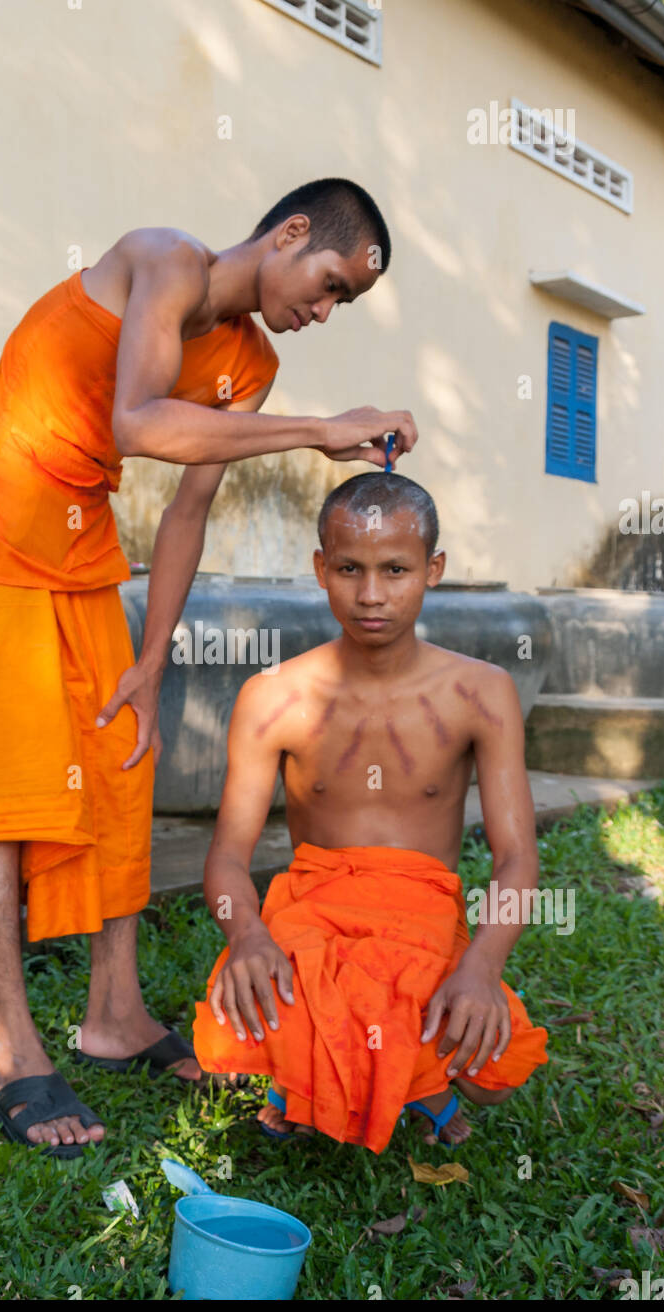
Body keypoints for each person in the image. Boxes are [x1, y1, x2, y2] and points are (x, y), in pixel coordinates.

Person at [0, 177, 419, 1158]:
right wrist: (319, 430)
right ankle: (13, 1050)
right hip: (1, 505)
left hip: (80, 536)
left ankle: (114, 1015)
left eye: (340, 306)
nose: (321, 313)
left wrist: (150, 662)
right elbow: (138, 422)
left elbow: (187, 509)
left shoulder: (249, 363)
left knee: (118, 761)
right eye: (324, 286)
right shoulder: (166, 258)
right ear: (290, 230)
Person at [192, 471, 548, 1150]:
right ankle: (337, 1082)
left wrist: (479, 969)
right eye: (349, 569)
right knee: (236, 1030)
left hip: (422, 920)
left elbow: (515, 859)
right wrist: (247, 939)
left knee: (491, 1067)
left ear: (432, 570)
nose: (371, 595)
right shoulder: (272, 696)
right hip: (309, 916)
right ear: (320, 569)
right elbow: (227, 859)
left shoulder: (482, 692)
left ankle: (349, 1082)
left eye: (395, 569)